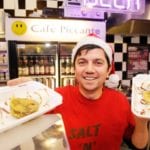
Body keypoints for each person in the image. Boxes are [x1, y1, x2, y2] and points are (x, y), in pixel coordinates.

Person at [7, 34, 149, 150]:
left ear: (108, 71)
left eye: (98, 62)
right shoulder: (54, 98)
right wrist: (24, 98)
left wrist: (142, 123)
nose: (89, 69)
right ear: (75, 69)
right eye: (82, 62)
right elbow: (22, 138)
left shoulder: (120, 101)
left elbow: (138, 145)